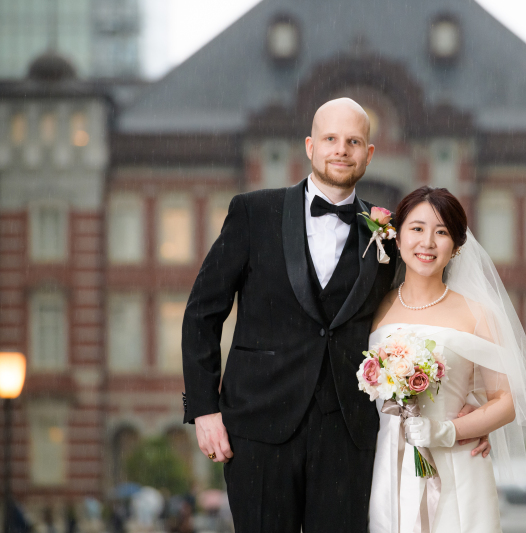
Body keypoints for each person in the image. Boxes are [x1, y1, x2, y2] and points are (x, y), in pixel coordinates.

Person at [181, 98, 488, 533]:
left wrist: (470, 410)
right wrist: (204, 409)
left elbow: (420, 311)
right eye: (330, 139)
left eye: (353, 141)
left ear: (369, 153)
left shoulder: (386, 234)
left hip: (350, 433)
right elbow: (201, 313)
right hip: (258, 427)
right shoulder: (253, 213)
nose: (341, 150)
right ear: (310, 146)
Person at [369, 186, 526, 533]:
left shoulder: (478, 314)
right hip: (388, 462)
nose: (428, 242)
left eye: (441, 233)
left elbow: (507, 400)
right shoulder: (375, 307)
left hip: (457, 465)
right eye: (417, 228)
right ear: (397, 235)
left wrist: (449, 430)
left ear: (455, 247)